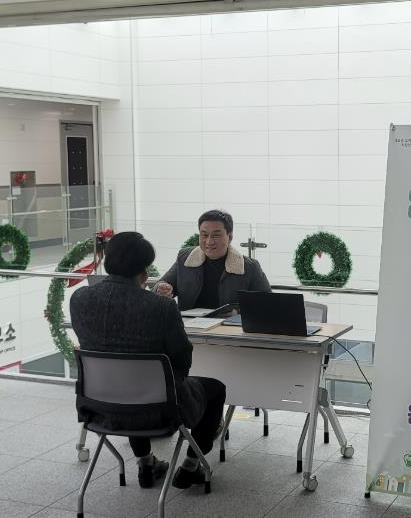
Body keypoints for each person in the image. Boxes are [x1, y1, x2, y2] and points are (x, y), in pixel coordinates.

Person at [70, 232, 226, 490]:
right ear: (144, 270)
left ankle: (145, 463)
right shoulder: (161, 307)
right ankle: (191, 465)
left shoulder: (79, 299)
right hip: (158, 410)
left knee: (130, 385)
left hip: (99, 408)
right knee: (215, 389)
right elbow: (182, 358)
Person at [155, 209, 271, 309]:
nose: (209, 241)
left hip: (227, 326)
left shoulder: (250, 267)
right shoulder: (185, 258)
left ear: (230, 237)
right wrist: (162, 290)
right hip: (189, 325)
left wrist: (237, 312)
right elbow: (160, 286)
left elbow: (267, 304)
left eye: (216, 235)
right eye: (204, 235)